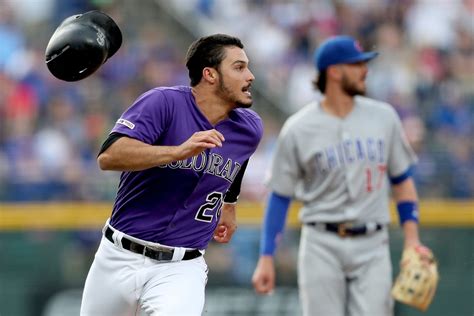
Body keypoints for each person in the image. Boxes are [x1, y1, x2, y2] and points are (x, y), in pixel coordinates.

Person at [80, 33, 263, 316]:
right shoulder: (163, 103)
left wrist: (230, 202)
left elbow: (239, 159)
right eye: (239, 67)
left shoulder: (249, 128)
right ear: (210, 74)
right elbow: (109, 156)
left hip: (182, 266)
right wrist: (177, 151)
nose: (250, 75)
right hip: (119, 256)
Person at [251, 35, 431, 316]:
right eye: (356, 64)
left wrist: (412, 239)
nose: (365, 70)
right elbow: (279, 195)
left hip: (373, 243)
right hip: (321, 243)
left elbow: (402, 181)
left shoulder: (384, 118)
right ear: (334, 72)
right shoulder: (299, 128)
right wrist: (266, 256)